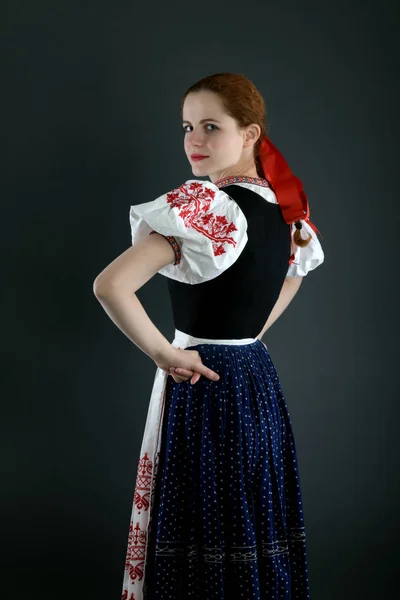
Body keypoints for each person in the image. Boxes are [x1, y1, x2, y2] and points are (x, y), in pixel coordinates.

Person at [93, 72, 324, 600]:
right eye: (187, 126)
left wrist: (166, 353)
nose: (194, 140)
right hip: (255, 376)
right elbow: (295, 271)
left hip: (203, 382)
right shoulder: (283, 205)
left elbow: (111, 285)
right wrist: (247, 332)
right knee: (246, 513)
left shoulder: (210, 208)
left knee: (206, 520)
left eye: (210, 127)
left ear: (249, 134)